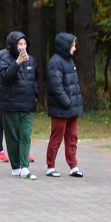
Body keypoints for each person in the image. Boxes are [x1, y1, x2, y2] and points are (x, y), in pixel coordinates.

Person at [0, 31, 38, 180]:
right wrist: (17, 62)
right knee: (13, 137)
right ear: (13, 45)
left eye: (24, 44)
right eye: (20, 44)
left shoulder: (31, 61)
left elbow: (36, 79)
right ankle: (16, 167)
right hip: (11, 105)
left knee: (25, 135)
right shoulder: (5, 59)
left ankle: (25, 167)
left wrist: (35, 95)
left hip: (27, 105)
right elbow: (5, 77)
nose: (22, 47)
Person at [44, 32, 83, 179]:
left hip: (71, 108)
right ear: (65, 46)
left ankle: (73, 166)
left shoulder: (70, 61)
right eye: (73, 45)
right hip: (60, 108)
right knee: (56, 138)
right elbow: (56, 86)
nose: (75, 48)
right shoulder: (55, 62)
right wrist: (67, 102)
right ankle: (50, 166)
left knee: (72, 137)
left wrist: (74, 104)